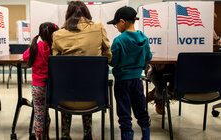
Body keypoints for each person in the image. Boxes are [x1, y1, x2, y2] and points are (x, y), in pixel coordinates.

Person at [52, 1, 112, 140]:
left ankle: (65, 135)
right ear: (87, 13)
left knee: (69, 83)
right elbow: (108, 56)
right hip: (94, 97)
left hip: (63, 98)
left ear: (68, 14)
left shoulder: (57, 34)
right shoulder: (99, 28)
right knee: (87, 81)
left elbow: (56, 62)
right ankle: (88, 134)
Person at [107, 6, 152, 140]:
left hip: (122, 82)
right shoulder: (143, 37)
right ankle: (146, 136)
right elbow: (148, 57)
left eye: (116, 24)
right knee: (141, 109)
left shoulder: (119, 40)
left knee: (124, 113)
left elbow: (113, 62)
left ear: (122, 21)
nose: (116, 27)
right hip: (137, 81)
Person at [23, 22, 59, 140]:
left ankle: (41, 137)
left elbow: (24, 57)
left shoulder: (35, 46)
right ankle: (46, 135)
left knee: (39, 116)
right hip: (52, 89)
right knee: (47, 117)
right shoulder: (54, 48)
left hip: (37, 88)